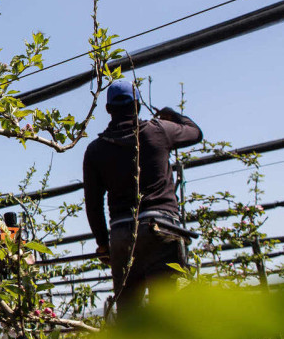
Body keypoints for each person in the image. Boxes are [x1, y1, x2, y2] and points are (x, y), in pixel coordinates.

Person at [82, 80, 202, 313]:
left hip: (122, 235)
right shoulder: (159, 131)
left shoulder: (95, 150)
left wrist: (103, 244)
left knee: (130, 318)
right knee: (169, 311)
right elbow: (195, 132)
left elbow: (93, 204)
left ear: (108, 110)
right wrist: (171, 115)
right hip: (161, 228)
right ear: (137, 106)